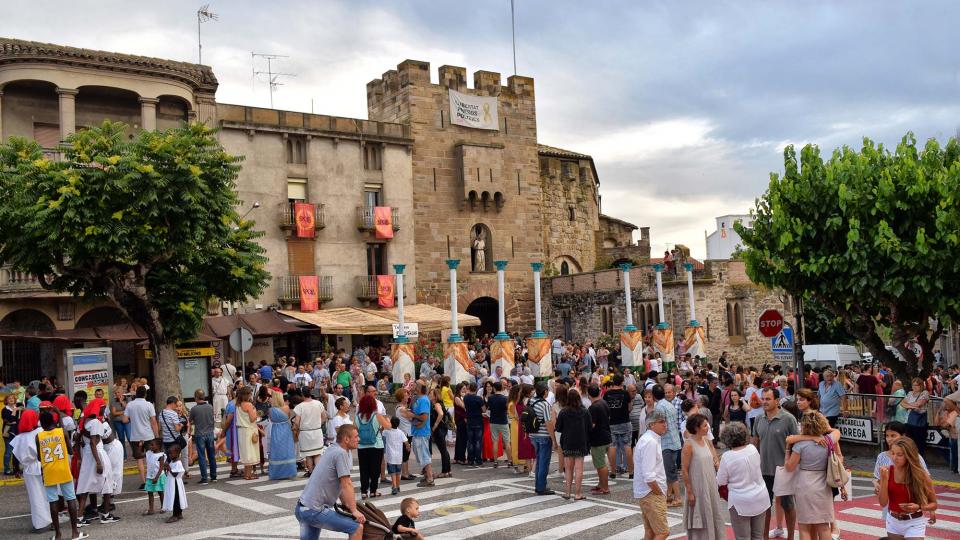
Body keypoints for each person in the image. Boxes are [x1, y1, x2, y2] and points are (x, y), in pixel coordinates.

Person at [296, 424, 365, 540]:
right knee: (356, 527)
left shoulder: (333, 448)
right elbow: (346, 483)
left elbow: (341, 485)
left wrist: (347, 505)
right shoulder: (341, 453)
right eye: (356, 436)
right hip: (314, 510)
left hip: (303, 507)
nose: (359, 439)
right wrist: (354, 510)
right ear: (346, 439)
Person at [784, 411, 841, 540]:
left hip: (804, 484)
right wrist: (824, 428)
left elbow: (789, 467)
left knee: (804, 526)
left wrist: (788, 450)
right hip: (823, 484)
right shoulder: (828, 440)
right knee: (824, 525)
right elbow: (836, 431)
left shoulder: (800, 445)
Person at [752, 387, 798, 540]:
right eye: (763, 399)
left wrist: (792, 465)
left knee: (788, 505)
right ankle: (764, 536)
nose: (764, 402)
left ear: (777, 401)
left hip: (783, 471)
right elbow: (755, 442)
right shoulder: (759, 418)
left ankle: (791, 537)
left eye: (767, 399)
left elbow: (797, 444)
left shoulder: (789, 419)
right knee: (765, 507)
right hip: (764, 470)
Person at [37, 411, 86, 540]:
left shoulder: (39, 436)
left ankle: (58, 534)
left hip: (49, 471)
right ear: (53, 422)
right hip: (63, 469)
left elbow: (39, 457)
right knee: (70, 499)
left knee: (53, 501)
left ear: (42, 424)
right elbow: (70, 451)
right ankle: (75, 532)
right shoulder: (61, 432)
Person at [717, 421, 769, 540]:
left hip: (741, 501)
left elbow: (721, 481)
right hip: (760, 496)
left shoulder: (727, 456)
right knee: (758, 536)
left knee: (742, 537)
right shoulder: (752, 449)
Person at [878, 437, 938, 540]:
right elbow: (883, 503)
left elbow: (934, 504)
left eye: (899, 455)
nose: (894, 458)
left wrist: (918, 507)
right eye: (892, 453)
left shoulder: (921, 475)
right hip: (893, 521)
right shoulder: (887, 471)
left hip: (914, 522)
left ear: (909, 456)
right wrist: (884, 480)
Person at [680, 413, 724, 539]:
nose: (708, 428)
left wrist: (717, 464)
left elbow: (713, 455)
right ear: (696, 428)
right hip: (697, 487)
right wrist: (689, 492)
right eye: (705, 426)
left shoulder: (705, 440)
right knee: (701, 517)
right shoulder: (688, 445)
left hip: (710, 484)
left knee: (713, 513)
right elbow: (684, 470)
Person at [75, 398, 119, 525]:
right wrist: (99, 462)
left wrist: (79, 457)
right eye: (103, 407)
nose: (104, 409)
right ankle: (105, 515)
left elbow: (78, 439)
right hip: (97, 454)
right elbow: (94, 443)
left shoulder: (85, 421)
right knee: (107, 483)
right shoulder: (95, 422)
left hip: (88, 456)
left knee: (84, 486)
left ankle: (79, 518)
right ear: (98, 408)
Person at [11, 409, 52, 532]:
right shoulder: (40, 431)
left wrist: (16, 470)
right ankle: (53, 519)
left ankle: (41, 523)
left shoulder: (20, 438)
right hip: (44, 465)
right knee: (49, 494)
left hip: (29, 468)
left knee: (36, 496)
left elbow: (15, 457)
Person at [633, 408, 670, 540]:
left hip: (646, 492)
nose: (665, 424)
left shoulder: (647, 439)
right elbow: (649, 475)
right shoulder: (650, 442)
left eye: (665, 421)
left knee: (651, 531)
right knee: (662, 532)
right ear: (651, 424)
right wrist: (659, 492)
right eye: (661, 421)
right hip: (651, 492)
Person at [556, 387, 590, 500]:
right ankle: (578, 493)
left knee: (569, 469)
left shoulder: (563, 411)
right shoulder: (584, 411)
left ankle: (567, 493)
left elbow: (558, 428)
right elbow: (589, 427)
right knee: (579, 469)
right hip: (581, 442)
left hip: (567, 442)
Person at [652, 384, 683, 507]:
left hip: (667, 443)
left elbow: (663, 427)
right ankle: (668, 495)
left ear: (654, 396)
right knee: (669, 470)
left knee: (670, 471)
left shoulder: (659, 408)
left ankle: (678, 497)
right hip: (675, 440)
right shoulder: (669, 404)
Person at [356, 393, 390, 499]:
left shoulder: (357, 417)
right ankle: (373, 491)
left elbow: (354, 429)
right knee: (375, 469)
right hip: (376, 445)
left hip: (362, 446)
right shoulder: (377, 416)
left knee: (364, 469)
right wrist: (387, 420)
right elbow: (388, 427)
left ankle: (363, 491)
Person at [125, 385, 158, 490]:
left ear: (136, 394)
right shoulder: (149, 405)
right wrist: (157, 435)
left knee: (139, 459)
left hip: (135, 436)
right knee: (151, 459)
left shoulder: (130, 405)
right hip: (148, 435)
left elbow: (125, 420)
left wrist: (133, 420)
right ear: (145, 394)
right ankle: (152, 479)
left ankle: (144, 482)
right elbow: (153, 421)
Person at [529, 381, 556, 495]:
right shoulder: (545, 404)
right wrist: (553, 439)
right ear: (545, 392)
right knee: (543, 462)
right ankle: (541, 487)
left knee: (539, 460)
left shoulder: (531, 401)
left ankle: (538, 485)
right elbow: (548, 423)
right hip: (544, 436)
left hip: (533, 435)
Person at [604, 374, 634, 479]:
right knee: (627, 446)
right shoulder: (625, 393)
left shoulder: (607, 394)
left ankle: (613, 471)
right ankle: (631, 472)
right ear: (622, 382)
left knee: (612, 446)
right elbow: (630, 408)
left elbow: (605, 409)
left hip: (612, 422)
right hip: (625, 421)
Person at [293, 389, 326, 477]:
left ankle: (311, 472)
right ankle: (319, 472)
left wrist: (299, 427)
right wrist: (319, 423)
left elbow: (296, 422)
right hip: (317, 431)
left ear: (302, 395)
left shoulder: (300, 406)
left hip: (305, 432)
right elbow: (324, 416)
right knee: (317, 453)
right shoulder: (318, 403)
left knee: (308, 454)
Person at [587, 384, 612, 495]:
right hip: (606, 435)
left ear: (589, 395)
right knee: (599, 463)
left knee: (601, 464)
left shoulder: (593, 407)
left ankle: (605, 487)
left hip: (598, 438)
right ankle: (601, 484)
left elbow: (591, 425)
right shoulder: (604, 403)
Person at [189, 389, 217, 484]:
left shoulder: (194, 409)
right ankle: (214, 476)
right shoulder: (210, 407)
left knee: (201, 456)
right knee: (211, 456)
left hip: (200, 434)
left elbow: (191, 421)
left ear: (196, 397)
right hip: (210, 433)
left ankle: (204, 478)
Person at [268, 390, 297, 480]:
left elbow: (271, 420)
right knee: (287, 449)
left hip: (276, 429)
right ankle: (289, 472)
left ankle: (276, 472)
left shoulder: (271, 409)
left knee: (276, 450)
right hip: (285, 428)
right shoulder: (286, 407)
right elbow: (288, 417)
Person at [234, 387, 262, 480]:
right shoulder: (249, 405)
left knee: (246, 452)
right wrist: (257, 414)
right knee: (250, 452)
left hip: (241, 430)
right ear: (247, 395)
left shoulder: (238, 404)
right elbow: (252, 419)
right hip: (249, 430)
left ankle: (247, 473)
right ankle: (248, 474)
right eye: (250, 394)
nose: (251, 395)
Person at [410, 383, 435, 487]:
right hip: (418, 432)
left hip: (422, 432)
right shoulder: (418, 399)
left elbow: (424, 417)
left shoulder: (424, 400)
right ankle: (427, 476)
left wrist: (412, 415)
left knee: (424, 456)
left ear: (420, 389)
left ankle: (429, 479)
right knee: (421, 454)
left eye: (415, 386)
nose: (414, 387)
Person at [900, 378, 929, 457]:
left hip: (919, 422)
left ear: (921, 386)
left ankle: (920, 460)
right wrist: (912, 406)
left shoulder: (924, 393)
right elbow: (902, 403)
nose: (914, 387)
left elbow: (919, 404)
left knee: (919, 443)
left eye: (916, 385)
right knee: (909, 442)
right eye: (913, 385)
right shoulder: (909, 393)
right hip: (908, 420)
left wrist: (908, 405)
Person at [486, 381, 511, 468]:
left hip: (493, 421)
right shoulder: (505, 398)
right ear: (502, 388)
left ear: (494, 388)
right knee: (507, 441)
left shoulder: (490, 398)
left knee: (495, 441)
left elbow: (488, 409)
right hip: (503, 421)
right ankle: (509, 461)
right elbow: (507, 410)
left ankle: (495, 461)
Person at [429, 387, 452, 478]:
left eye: (431, 394)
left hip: (439, 429)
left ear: (435, 396)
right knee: (444, 450)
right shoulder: (438, 403)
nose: (429, 395)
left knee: (443, 450)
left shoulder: (437, 404)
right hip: (442, 428)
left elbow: (441, 414)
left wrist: (434, 425)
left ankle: (445, 471)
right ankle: (448, 470)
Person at [161, 443, 187, 523]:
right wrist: (166, 468)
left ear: (177, 453)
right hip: (171, 483)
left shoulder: (178, 463)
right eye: (169, 453)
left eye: (171, 453)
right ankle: (179, 514)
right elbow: (169, 473)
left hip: (175, 483)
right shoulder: (172, 462)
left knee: (175, 499)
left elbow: (175, 474)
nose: (169, 455)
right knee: (175, 498)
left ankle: (175, 515)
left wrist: (168, 468)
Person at [383, 416, 408, 495]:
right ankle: (398, 486)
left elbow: (382, 432)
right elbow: (406, 442)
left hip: (390, 457)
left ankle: (394, 487)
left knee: (392, 473)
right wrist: (408, 447)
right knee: (398, 472)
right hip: (399, 457)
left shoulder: (387, 431)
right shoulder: (400, 432)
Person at [143, 438, 166, 515]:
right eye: (150, 445)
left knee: (160, 492)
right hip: (150, 477)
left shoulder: (161, 455)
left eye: (152, 445)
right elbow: (139, 454)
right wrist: (140, 446)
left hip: (158, 477)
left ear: (158, 446)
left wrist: (156, 477)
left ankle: (163, 506)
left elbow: (161, 468)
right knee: (150, 493)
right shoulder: (149, 453)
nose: (151, 446)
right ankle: (151, 509)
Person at [3, 394, 20, 475]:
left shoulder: (18, 409)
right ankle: (7, 469)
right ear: (6, 401)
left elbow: (17, 421)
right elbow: (9, 420)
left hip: (17, 432)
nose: (11, 400)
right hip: (8, 433)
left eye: (12, 398)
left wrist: (14, 419)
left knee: (16, 452)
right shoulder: (4, 410)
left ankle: (16, 468)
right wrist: (14, 411)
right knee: (9, 452)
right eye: (9, 398)